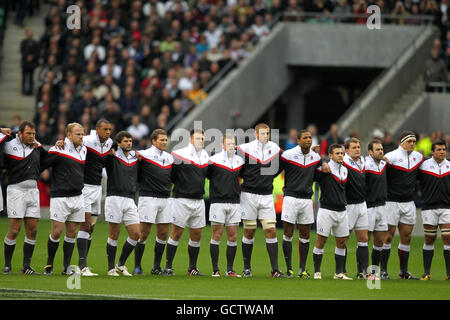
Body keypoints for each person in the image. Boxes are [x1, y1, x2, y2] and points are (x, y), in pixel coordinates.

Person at [237, 123, 285, 278]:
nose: (266, 136)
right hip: (249, 195)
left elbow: (279, 167)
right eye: (263, 133)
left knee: (270, 230)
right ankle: (246, 269)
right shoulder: (245, 149)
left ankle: (275, 270)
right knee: (249, 230)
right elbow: (239, 169)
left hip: (266, 196)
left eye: (268, 133)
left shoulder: (276, 149)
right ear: (256, 134)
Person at [42, 123, 87, 275]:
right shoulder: (58, 149)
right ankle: (49, 264)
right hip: (60, 197)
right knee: (56, 232)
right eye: (78, 134)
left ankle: (66, 267)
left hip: (78, 196)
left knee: (72, 233)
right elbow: (42, 164)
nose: (81, 137)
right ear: (68, 135)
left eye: (82, 134)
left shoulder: (84, 149)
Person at [163, 128, 209, 276]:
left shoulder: (205, 155)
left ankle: (192, 268)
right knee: (177, 232)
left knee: (197, 234)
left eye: (202, 139)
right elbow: (172, 175)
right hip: (181, 199)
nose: (200, 141)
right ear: (190, 140)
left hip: (199, 200)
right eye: (197, 138)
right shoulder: (179, 154)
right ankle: (168, 267)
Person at [3, 122, 45, 275]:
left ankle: (26, 267)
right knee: (14, 229)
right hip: (16, 190)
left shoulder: (37, 147)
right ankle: (7, 265)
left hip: (33, 192)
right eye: (28, 134)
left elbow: (46, 160)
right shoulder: (8, 145)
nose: (32, 136)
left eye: (33, 134)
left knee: (33, 230)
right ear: (19, 133)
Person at [280, 129, 322, 278]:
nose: (308, 140)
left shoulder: (316, 158)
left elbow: (318, 176)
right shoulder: (288, 155)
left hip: (306, 200)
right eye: (305, 138)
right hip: (290, 198)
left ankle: (302, 270)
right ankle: (289, 269)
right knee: (288, 232)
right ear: (298, 141)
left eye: (310, 137)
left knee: (305, 234)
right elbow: (277, 170)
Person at [382, 131, 424, 280]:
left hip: (408, 202)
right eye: (409, 141)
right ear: (401, 142)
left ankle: (403, 272)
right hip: (391, 202)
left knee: (407, 236)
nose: (412, 143)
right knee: (388, 236)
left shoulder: (418, 157)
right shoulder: (391, 156)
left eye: (414, 141)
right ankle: (383, 271)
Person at [133, 129, 174, 275]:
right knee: (143, 233)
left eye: (166, 140)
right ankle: (137, 266)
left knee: (163, 234)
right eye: (161, 140)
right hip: (148, 197)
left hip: (166, 198)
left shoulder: (170, 158)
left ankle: (156, 267)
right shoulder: (142, 155)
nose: (164, 142)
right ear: (154, 141)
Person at [77, 120, 113, 276]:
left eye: (110, 129)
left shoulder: (109, 142)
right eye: (105, 129)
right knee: (84, 226)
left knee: (91, 228)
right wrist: (61, 142)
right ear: (97, 129)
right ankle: (81, 266)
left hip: (97, 188)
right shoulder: (87, 140)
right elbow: (71, 142)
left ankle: (83, 264)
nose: (108, 132)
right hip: (84, 187)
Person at [313, 144, 352, 280]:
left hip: (342, 211)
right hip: (326, 211)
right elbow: (311, 168)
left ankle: (339, 273)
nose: (340, 155)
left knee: (342, 242)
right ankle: (317, 272)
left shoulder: (345, 171)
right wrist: (321, 160)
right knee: (321, 241)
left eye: (342, 153)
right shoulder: (324, 169)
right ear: (330, 156)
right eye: (337, 153)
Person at [207, 134, 244, 277]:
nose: (231, 146)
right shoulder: (214, 160)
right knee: (216, 235)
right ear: (222, 145)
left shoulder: (240, 161)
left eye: (233, 143)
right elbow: (208, 175)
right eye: (228, 143)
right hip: (218, 202)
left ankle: (230, 270)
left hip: (234, 203)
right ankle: (215, 269)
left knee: (233, 236)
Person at [105, 131, 141, 276]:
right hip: (114, 197)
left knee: (136, 234)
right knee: (114, 233)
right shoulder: (111, 156)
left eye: (130, 141)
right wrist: (112, 148)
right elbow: (103, 148)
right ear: (118, 143)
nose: (129, 144)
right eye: (125, 141)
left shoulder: (135, 157)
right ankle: (110, 268)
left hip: (130, 199)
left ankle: (120, 264)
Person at [418, 139, 450, 280]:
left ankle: (449, 274)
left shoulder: (449, 165)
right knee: (429, 238)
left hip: (447, 207)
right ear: (432, 151)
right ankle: (427, 273)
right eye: (439, 149)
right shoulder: (423, 166)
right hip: (429, 207)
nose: (442, 152)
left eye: (444, 149)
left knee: (447, 238)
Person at [342, 138, 371, 279]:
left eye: (359, 146)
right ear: (347, 150)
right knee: (344, 239)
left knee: (364, 238)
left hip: (362, 204)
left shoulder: (363, 162)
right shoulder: (343, 162)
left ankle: (364, 272)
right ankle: (341, 271)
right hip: (349, 205)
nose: (357, 149)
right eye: (354, 147)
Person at [364, 139, 388, 277]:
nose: (380, 151)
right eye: (377, 149)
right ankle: (362, 271)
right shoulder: (365, 164)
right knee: (364, 241)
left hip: (382, 206)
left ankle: (374, 271)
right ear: (370, 152)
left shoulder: (384, 164)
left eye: (381, 149)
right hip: (369, 207)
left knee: (379, 241)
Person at [20, 28, 40, 95]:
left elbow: (37, 52)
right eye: (29, 32)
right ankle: (23, 90)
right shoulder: (23, 42)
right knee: (24, 78)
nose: (30, 34)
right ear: (26, 34)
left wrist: (32, 56)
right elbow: (22, 51)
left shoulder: (35, 42)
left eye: (31, 33)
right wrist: (27, 56)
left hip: (32, 63)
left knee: (31, 78)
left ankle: (30, 90)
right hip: (25, 63)